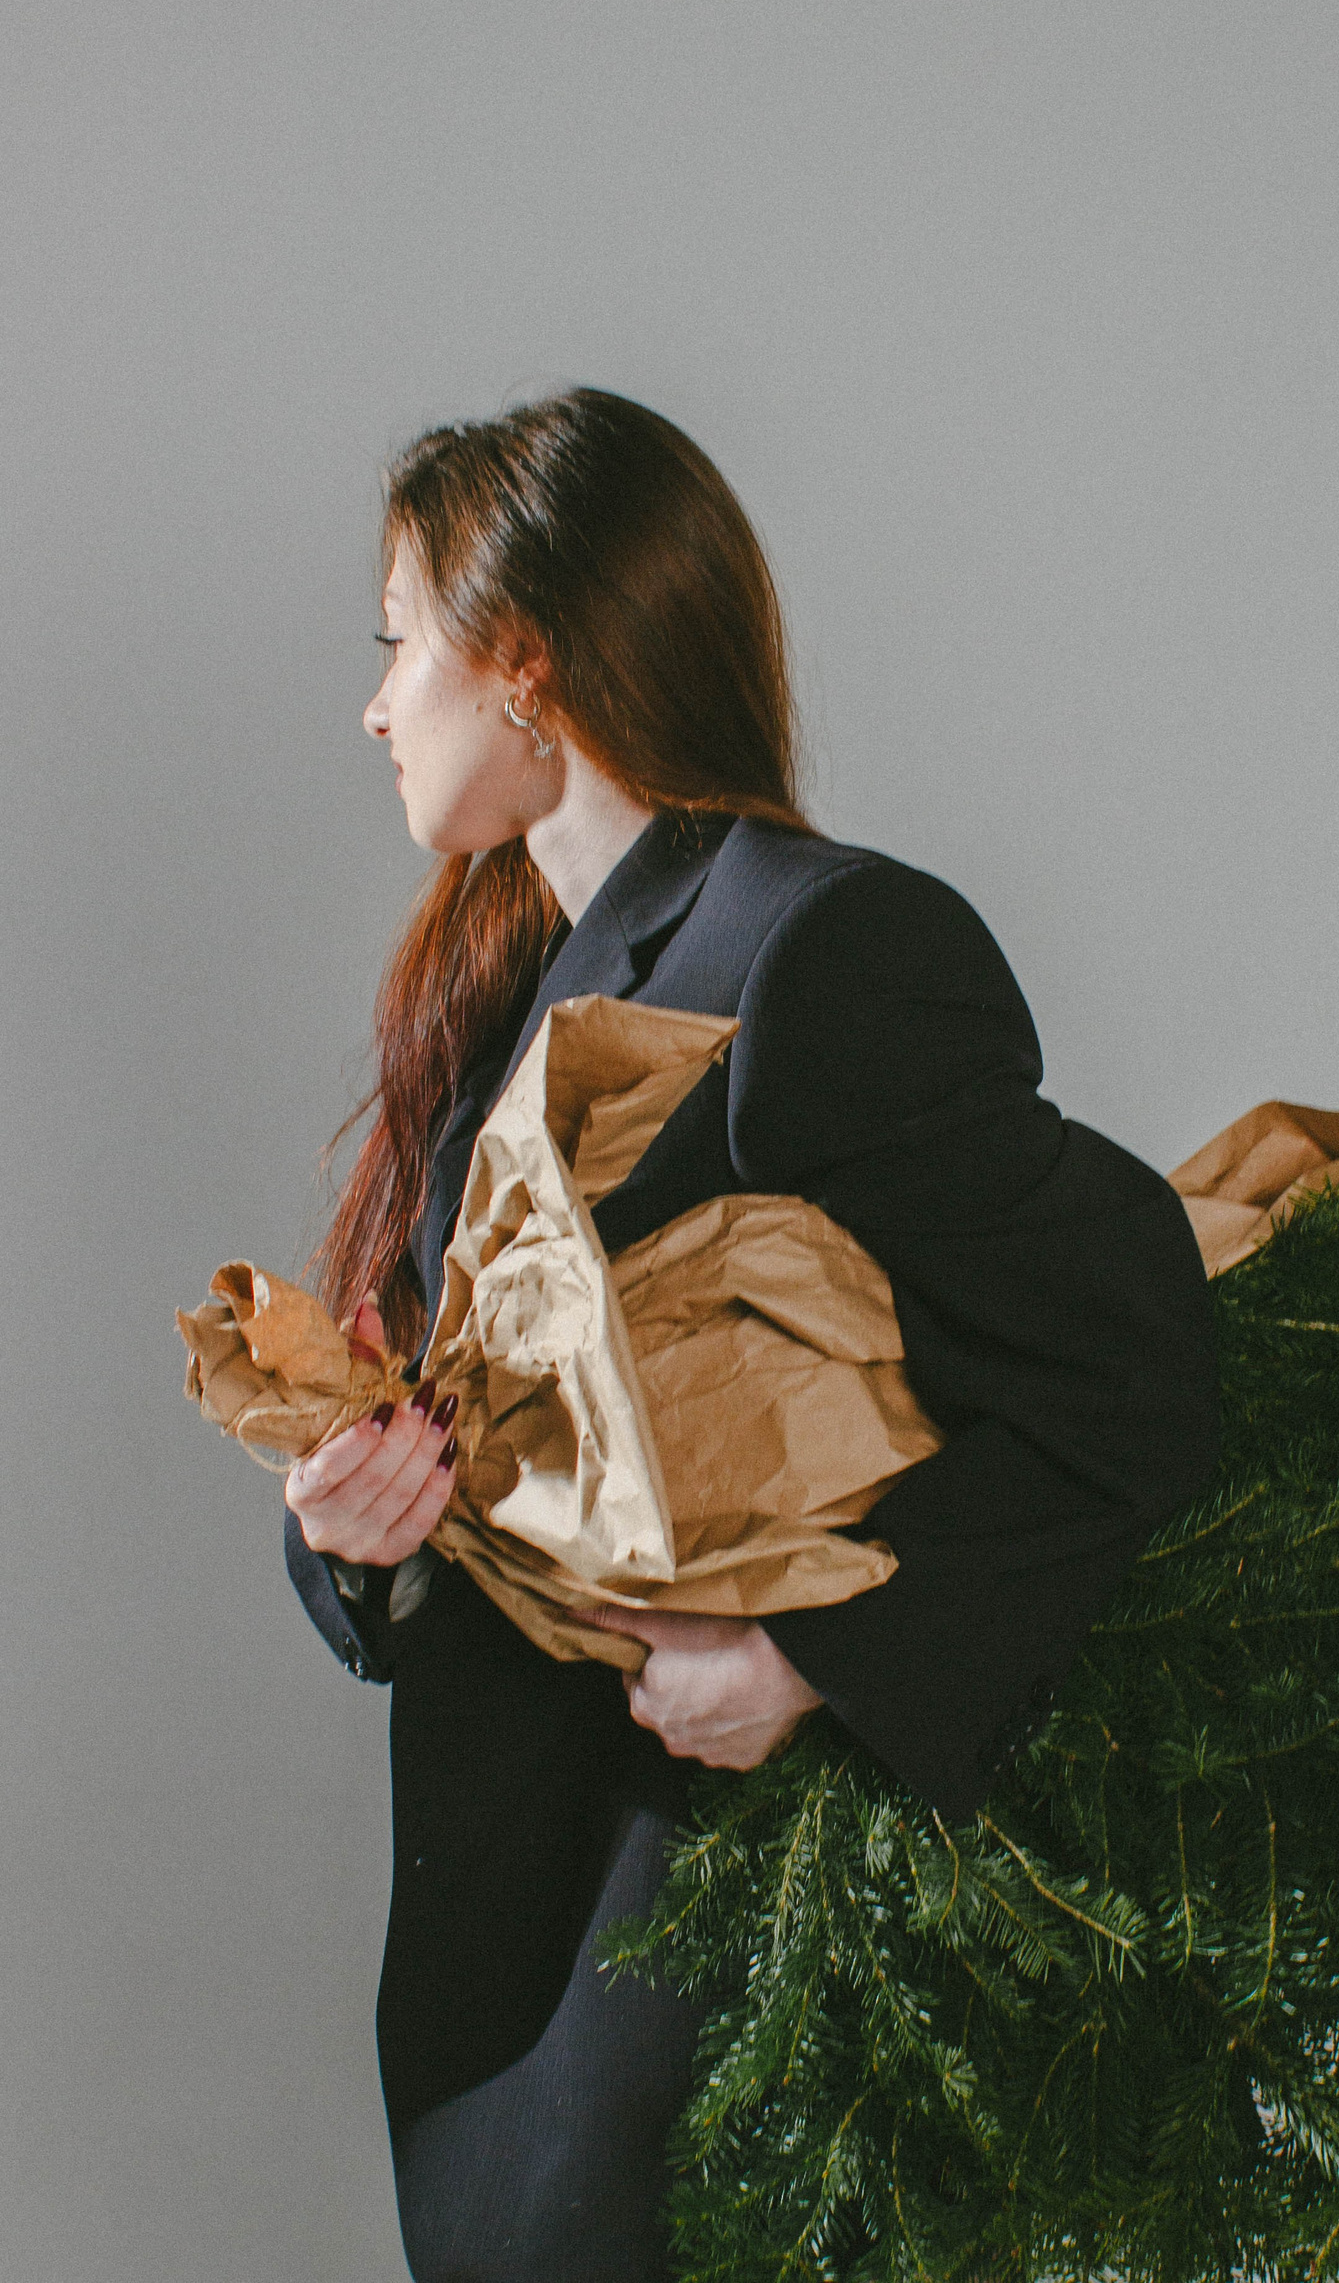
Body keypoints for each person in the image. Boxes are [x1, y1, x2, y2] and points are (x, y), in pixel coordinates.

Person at [280, 387, 1221, 2281]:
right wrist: (352, 1533)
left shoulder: (824, 949)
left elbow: (1135, 1364)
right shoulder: (500, 995)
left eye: (398, 645)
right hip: (510, 1983)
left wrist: (809, 1656)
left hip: (714, 1990)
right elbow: (462, 1456)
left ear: (524, 660)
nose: (376, 708)